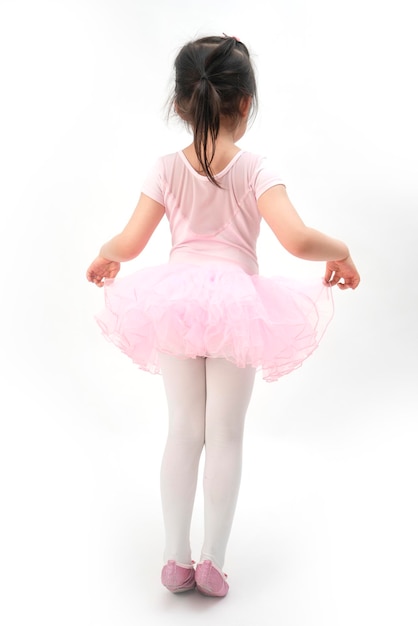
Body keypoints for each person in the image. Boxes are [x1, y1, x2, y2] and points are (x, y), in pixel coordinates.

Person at [86, 35, 360, 598]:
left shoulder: (165, 168)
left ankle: (173, 557)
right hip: (237, 305)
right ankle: (213, 559)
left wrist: (107, 254)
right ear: (245, 104)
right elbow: (297, 237)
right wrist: (341, 249)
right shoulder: (256, 168)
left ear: (183, 103)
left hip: (175, 305)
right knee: (225, 434)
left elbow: (133, 241)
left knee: (183, 430)